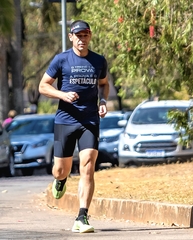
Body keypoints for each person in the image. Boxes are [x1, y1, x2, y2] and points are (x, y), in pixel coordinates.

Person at [38, 20, 109, 233]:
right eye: (78, 35)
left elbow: (104, 84)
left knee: (88, 166)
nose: (82, 39)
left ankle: (82, 217)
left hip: (89, 121)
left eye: (85, 35)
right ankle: (60, 180)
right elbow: (43, 86)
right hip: (65, 120)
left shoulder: (98, 61)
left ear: (90, 36)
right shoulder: (61, 60)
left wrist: (103, 102)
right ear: (71, 37)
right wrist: (62, 95)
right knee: (61, 170)